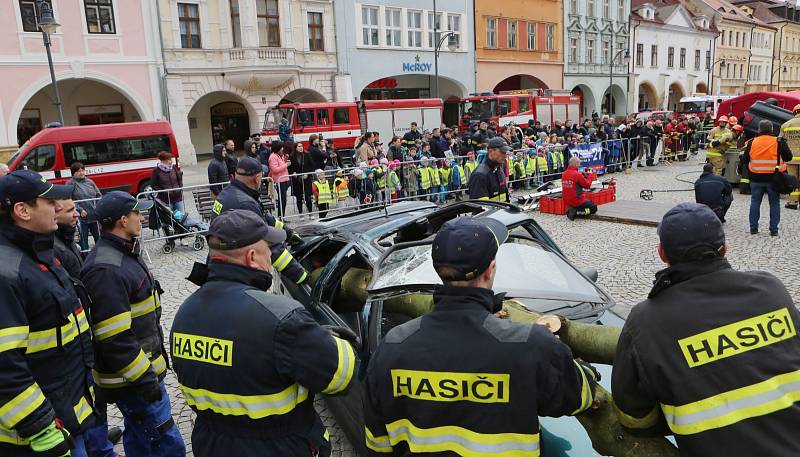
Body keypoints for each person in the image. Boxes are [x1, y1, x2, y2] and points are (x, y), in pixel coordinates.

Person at [364, 216, 597, 455]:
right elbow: (577, 396)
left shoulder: (391, 348)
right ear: (490, 270)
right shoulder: (532, 346)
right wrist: (575, 364)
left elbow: (376, 444)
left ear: (437, 270)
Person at [612, 202, 800, 457]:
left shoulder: (645, 322)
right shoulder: (771, 290)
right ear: (724, 247)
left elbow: (633, 414)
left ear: (662, 253)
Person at [171, 210, 356, 457]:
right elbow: (341, 376)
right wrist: (325, 339)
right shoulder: (281, 318)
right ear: (251, 257)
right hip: (278, 448)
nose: (272, 255)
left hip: (212, 446)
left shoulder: (184, 314)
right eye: (269, 248)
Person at [81, 191, 186, 457]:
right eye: (138, 213)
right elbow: (113, 337)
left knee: (141, 438)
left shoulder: (123, 252)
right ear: (122, 221)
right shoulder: (106, 268)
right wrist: (145, 379)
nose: (142, 217)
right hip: (133, 380)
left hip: (140, 374)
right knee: (165, 442)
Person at [0, 170, 96, 457]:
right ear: (22, 211)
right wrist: (42, 430)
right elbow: (5, 366)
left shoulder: (37, 252)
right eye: (49, 201)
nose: (59, 207)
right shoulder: (7, 271)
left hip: (65, 417)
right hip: (37, 437)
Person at [53, 197, 123, 457]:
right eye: (70, 210)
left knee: (92, 395)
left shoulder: (64, 240)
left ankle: (99, 439)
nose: (77, 215)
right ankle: (99, 446)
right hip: (71, 337)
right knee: (84, 394)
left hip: (83, 328)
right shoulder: (53, 247)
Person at [212, 156, 309, 285]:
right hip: (238, 269)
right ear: (257, 179)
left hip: (221, 262)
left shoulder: (230, 193)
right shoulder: (245, 203)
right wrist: (300, 276)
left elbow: (265, 218)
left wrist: (288, 233)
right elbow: (268, 245)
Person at [741, 120, 793, 236]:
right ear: (772, 129)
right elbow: (789, 157)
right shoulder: (778, 141)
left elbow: (744, 160)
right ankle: (773, 230)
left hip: (755, 177)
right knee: (774, 203)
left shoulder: (751, 142)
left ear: (759, 130)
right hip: (773, 179)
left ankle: (753, 228)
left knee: (755, 202)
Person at [68, 161, 102, 251]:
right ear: (73, 173)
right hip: (81, 218)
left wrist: (98, 206)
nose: (81, 173)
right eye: (78, 171)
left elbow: (99, 195)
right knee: (84, 241)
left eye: (83, 170)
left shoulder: (90, 182)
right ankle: (85, 259)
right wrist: (79, 209)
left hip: (94, 216)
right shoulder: (70, 183)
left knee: (99, 239)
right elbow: (69, 200)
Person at [467, 137, 509, 201]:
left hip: (501, 210)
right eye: (502, 152)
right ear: (490, 151)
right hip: (493, 211)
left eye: (506, 152)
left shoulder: (499, 169)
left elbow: (505, 197)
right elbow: (481, 207)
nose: (505, 156)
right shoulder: (479, 175)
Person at [778, 103, 800, 209]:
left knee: (793, 180)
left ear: (794, 112)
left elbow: (780, 142)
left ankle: (793, 203)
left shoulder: (786, 125)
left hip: (791, 158)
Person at [562, 156, 597, 221]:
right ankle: (576, 212)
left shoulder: (564, 174)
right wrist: (590, 176)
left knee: (587, 202)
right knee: (594, 208)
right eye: (579, 164)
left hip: (567, 200)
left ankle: (573, 209)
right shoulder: (577, 174)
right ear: (575, 164)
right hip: (577, 201)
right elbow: (587, 185)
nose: (579, 165)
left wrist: (582, 176)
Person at [289, 142, 314, 217]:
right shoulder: (292, 156)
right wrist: (293, 172)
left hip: (306, 179)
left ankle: (310, 213)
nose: (301, 147)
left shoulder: (307, 154)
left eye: (302, 146)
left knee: (308, 197)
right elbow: (289, 168)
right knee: (299, 197)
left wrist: (307, 173)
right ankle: (301, 214)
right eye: (299, 146)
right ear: (295, 148)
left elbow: (312, 166)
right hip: (297, 180)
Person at [268, 141, 291, 217]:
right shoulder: (272, 157)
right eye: (281, 147)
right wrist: (286, 164)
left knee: (284, 200)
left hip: (284, 180)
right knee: (282, 200)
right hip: (279, 181)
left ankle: (282, 216)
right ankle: (280, 217)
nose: (282, 149)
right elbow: (275, 170)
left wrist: (285, 159)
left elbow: (280, 165)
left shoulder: (279, 155)